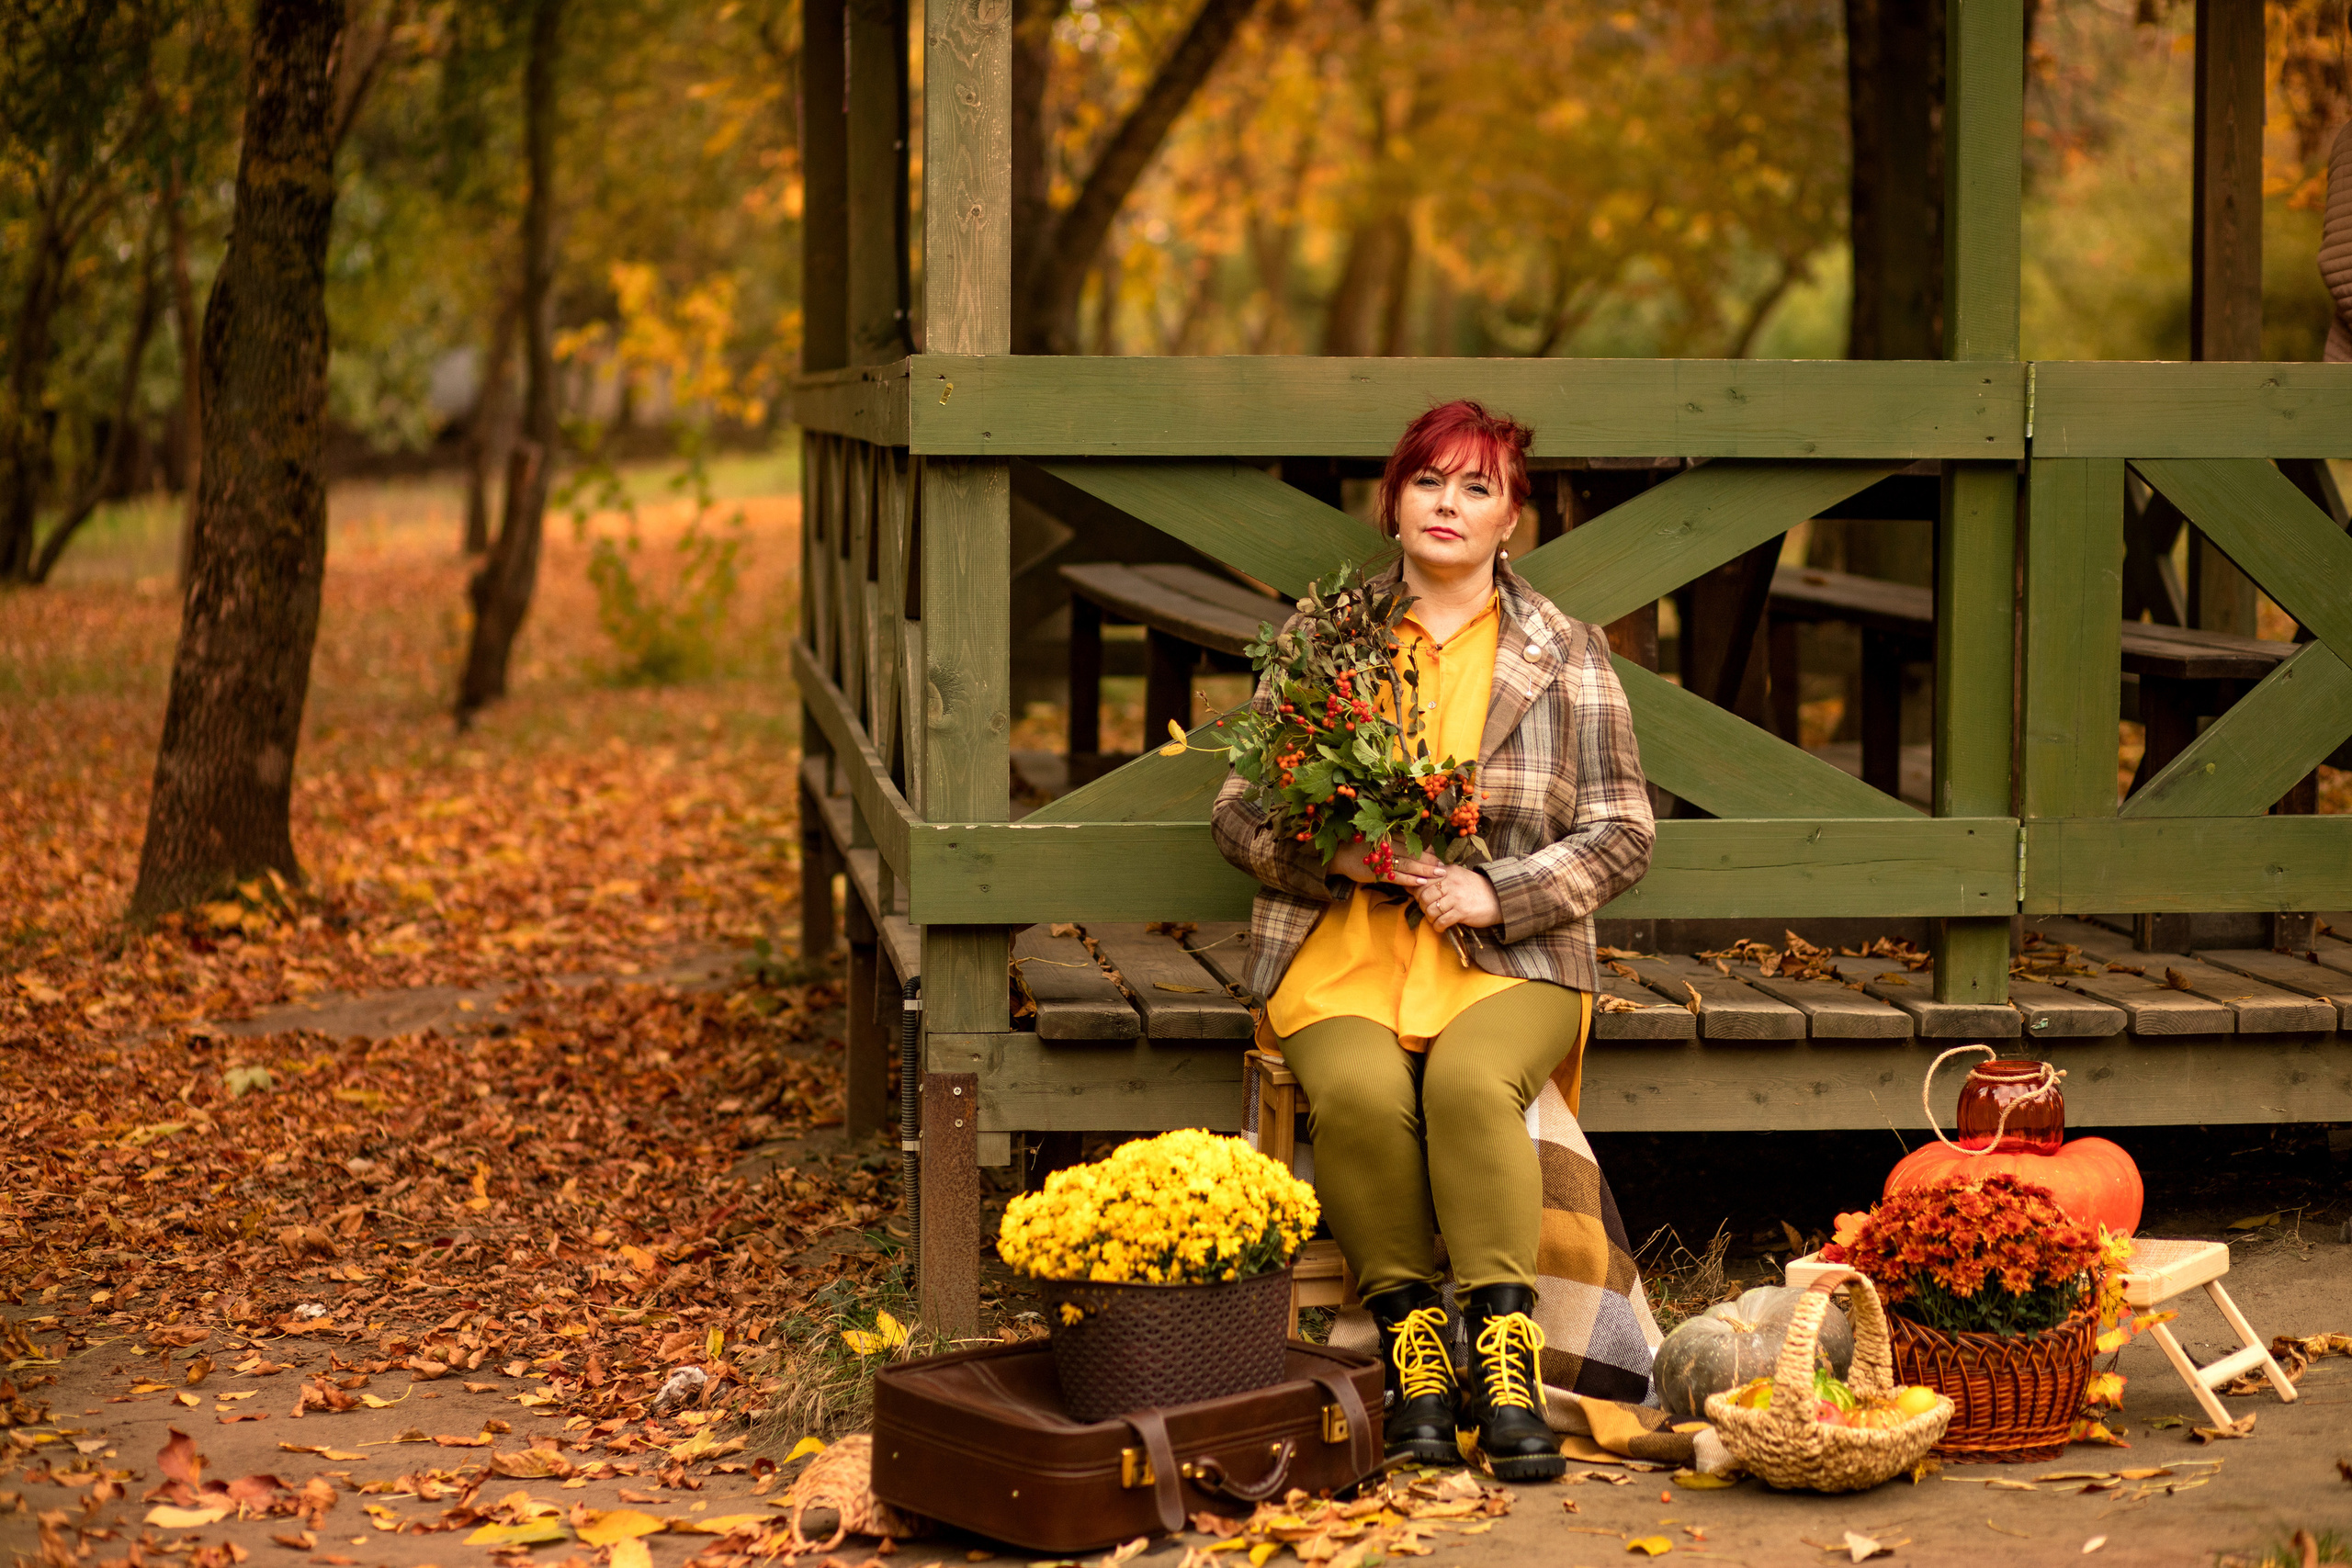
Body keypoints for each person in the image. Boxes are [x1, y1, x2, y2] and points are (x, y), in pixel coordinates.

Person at [1212, 400, 1656, 1481]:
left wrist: (1496, 891)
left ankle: (1503, 1364)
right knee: (1360, 1093)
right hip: (1342, 946)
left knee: (1467, 1084)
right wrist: (1337, 860)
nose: (1447, 504)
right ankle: (1413, 1354)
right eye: (1427, 481)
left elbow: (1623, 830)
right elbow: (1235, 813)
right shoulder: (1324, 641)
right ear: (1394, 502)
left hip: (1512, 957)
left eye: (1476, 487)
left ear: (1511, 520)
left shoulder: (1565, 651)